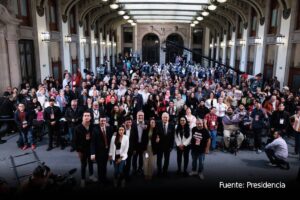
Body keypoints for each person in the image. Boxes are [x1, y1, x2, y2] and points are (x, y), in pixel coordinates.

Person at [73, 111, 97, 187]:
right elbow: (74, 141)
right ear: (82, 117)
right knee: (83, 165)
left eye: (88, 115)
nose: (87, 117)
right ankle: (83, 179)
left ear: (90, 117)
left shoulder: (93, 126)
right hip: (82, 150)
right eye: (85, 115)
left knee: (91, 163)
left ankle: (91, 175)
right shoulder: (77, 128)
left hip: (91, 149)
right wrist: (78, 151)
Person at [91, 116, 113, 184]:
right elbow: (93, 142)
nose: (103, 122)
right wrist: (93, 153)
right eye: (101, 121)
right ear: (99, 121)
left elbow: (111, 139)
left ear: (106, 121)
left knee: (104, 166)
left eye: (104, 121)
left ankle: (104, 178)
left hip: (107, 151)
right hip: (99, 152)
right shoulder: (95, 130)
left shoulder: (109, 128)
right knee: (100, 167)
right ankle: (101, 181)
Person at [156, 112, 175, 177]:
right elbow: (156, 133)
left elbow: (172, 137)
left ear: (168, 118)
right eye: (164, 117)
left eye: (166, 117)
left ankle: (165, 171)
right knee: (159, 159)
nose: (165, 118)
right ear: (161, 118)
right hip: (159, 146)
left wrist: (171, 146)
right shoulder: (158, 124)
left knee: (167, 160)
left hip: (168, 146)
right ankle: (159, 171)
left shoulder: (171, 125)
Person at [123, 116, 137, 181]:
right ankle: (122, 175)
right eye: (127, 122)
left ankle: (127, 175)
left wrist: (134, 149)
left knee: (128, 163)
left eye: (130, 122)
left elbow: (135, 140)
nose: (129, 123)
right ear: (125, 122)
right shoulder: (121, 129)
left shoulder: (134, 129)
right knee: (122, 163)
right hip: (122, 150)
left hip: (130, 149)